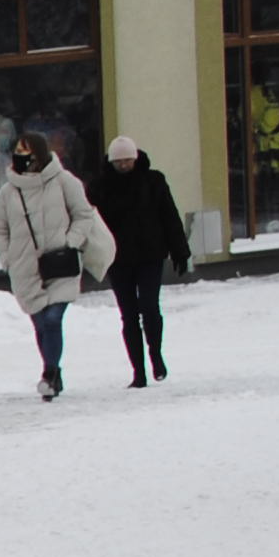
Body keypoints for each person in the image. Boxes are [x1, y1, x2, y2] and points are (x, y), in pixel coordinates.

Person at [0, 132, 108, 401]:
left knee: (53, 320)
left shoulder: (64, 181)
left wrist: (71, 242)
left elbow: (83, 214)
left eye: (26, 151)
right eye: (17, 151)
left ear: (39, 154)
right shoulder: (8, 192)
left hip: (60, 263)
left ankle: (49, 374)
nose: (21, 157)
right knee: (41, 324)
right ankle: (54, 372)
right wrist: (7, 258)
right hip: (25, 268)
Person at [85, 133, 191, 387]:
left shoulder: (153, 181)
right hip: (117, 260)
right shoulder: (100, 187)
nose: (123, 166)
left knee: (150, 308)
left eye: (128, 161)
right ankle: (138, 372)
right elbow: (89, 224)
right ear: (111, 162)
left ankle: (155, 354)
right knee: (128, 315)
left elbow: (169, 216)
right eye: (118, 162)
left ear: (136, 158)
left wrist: (180, 251)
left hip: (150, 255)